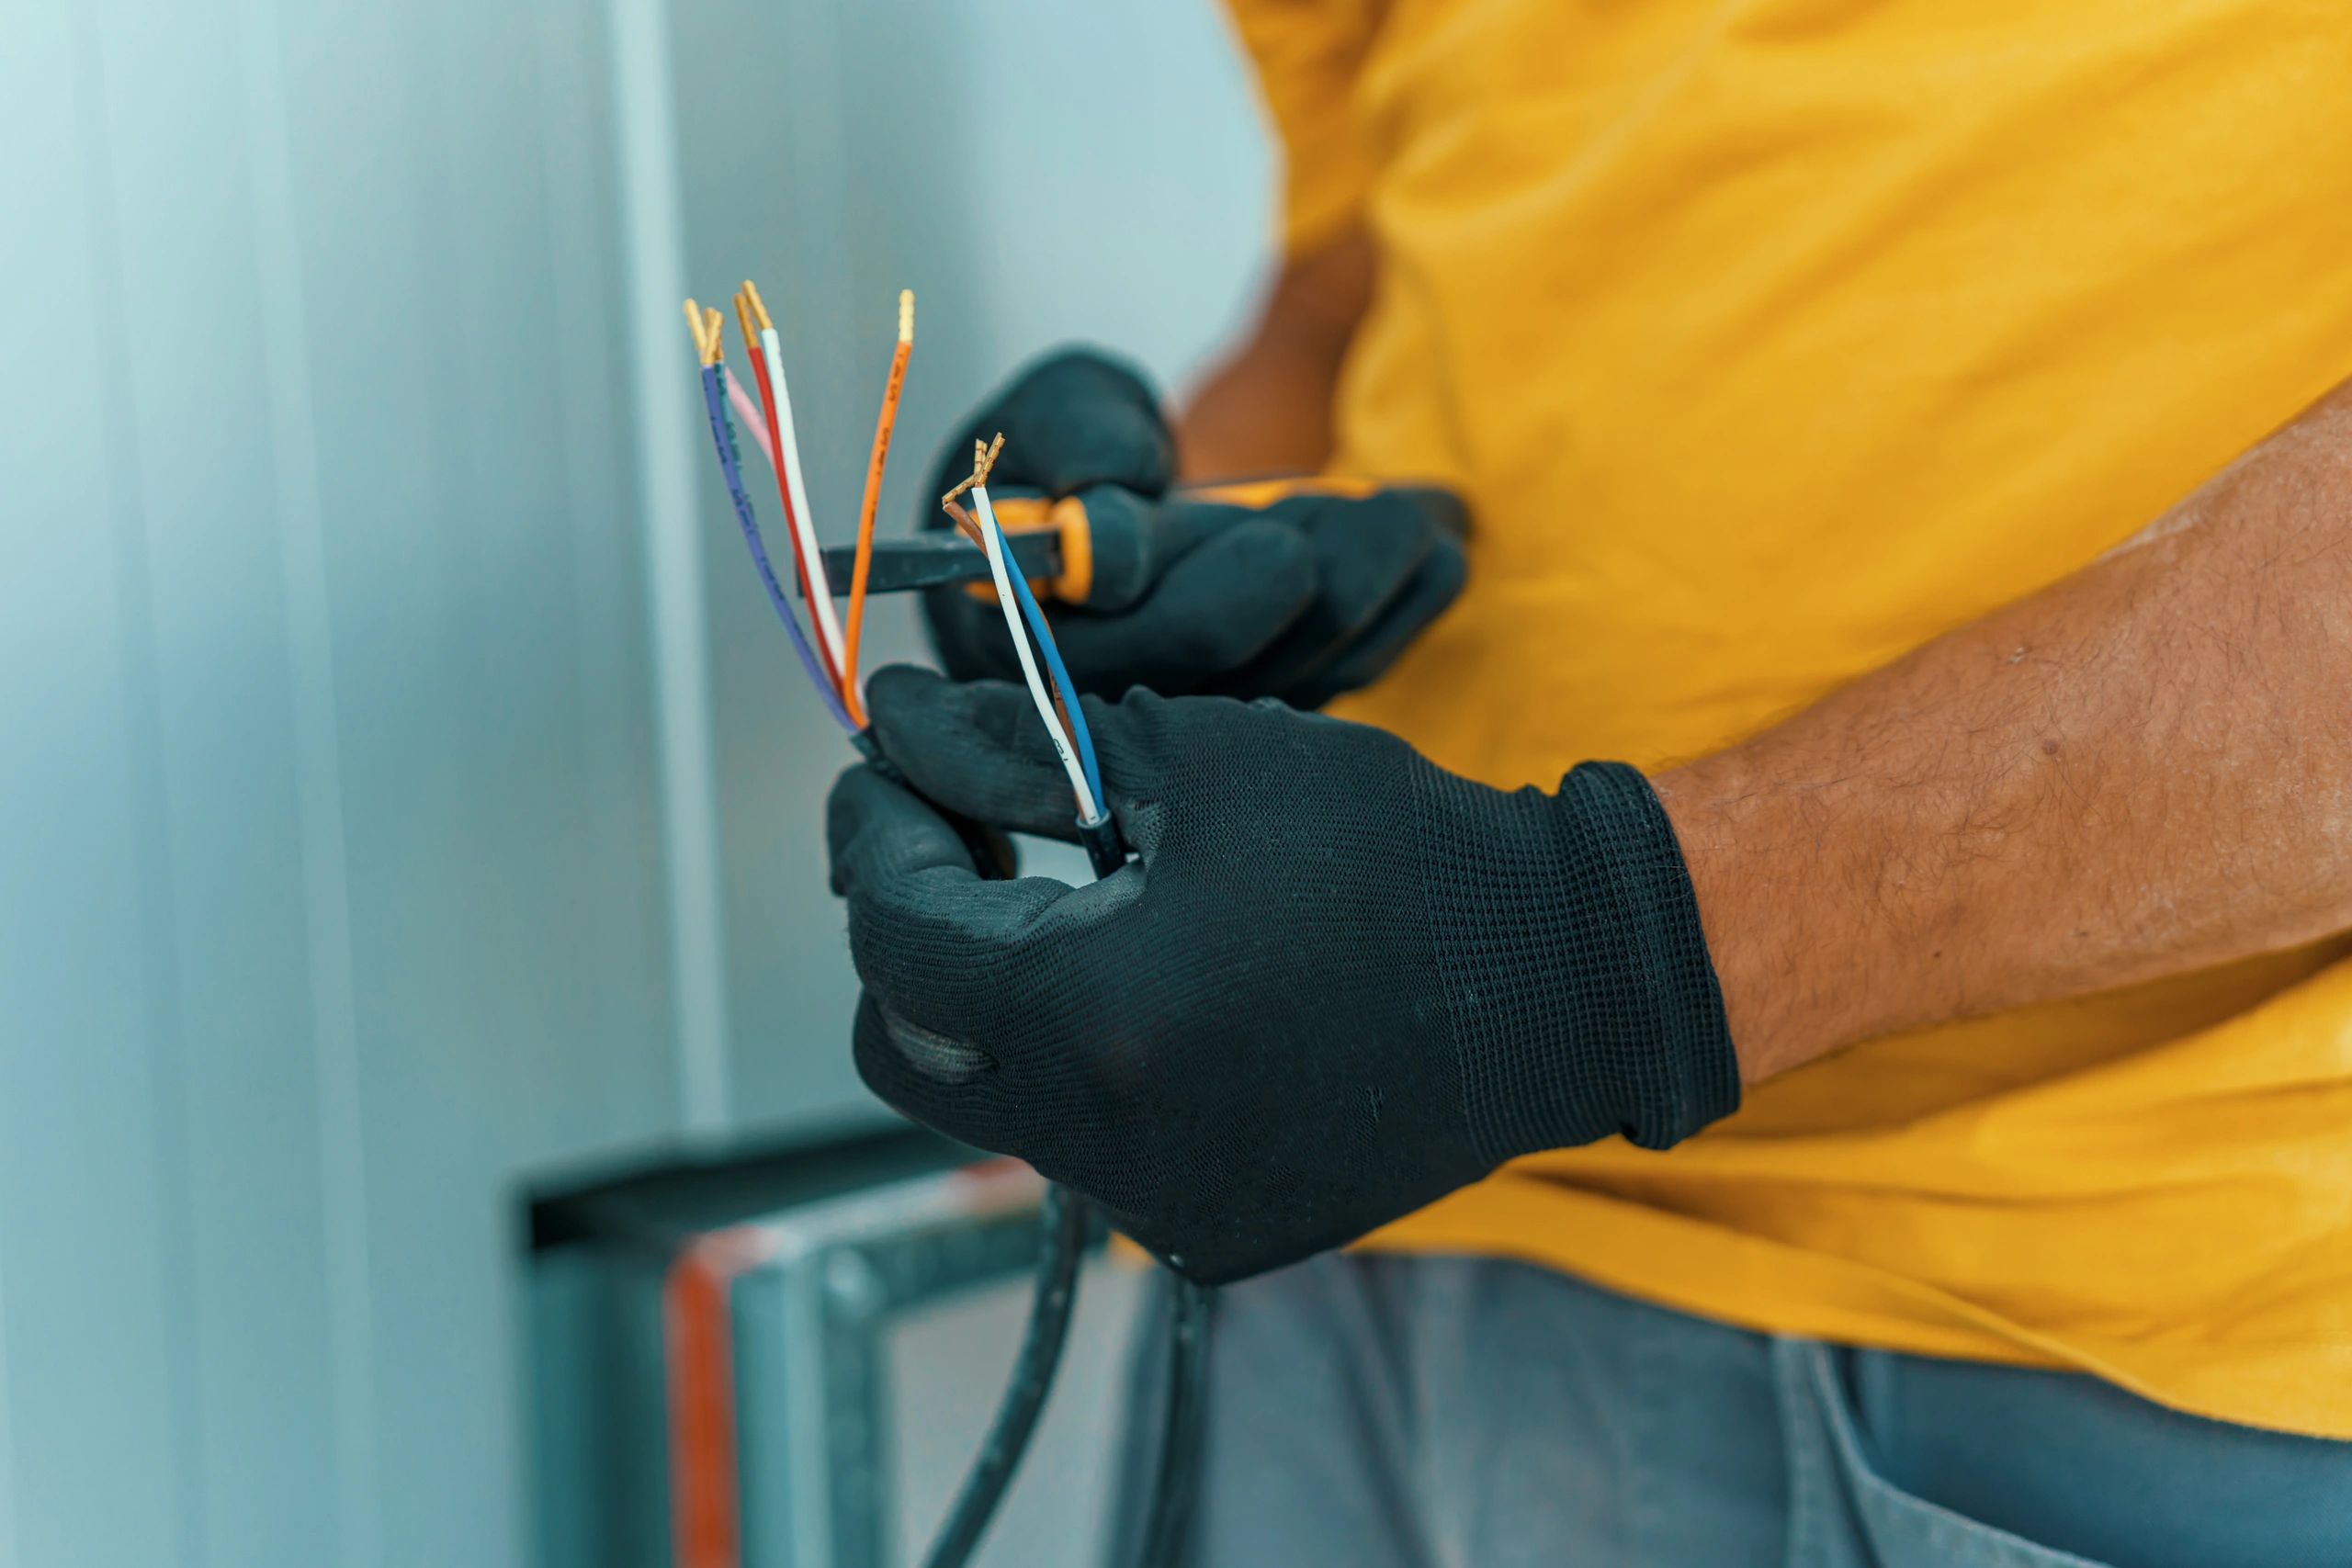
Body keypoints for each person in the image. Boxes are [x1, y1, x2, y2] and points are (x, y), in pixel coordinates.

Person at [825, 5, 2352, 1562]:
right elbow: (1357, 276)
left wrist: (1594, 954)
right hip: (1339, 1235)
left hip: (2074, 1323)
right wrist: (1164, 545)